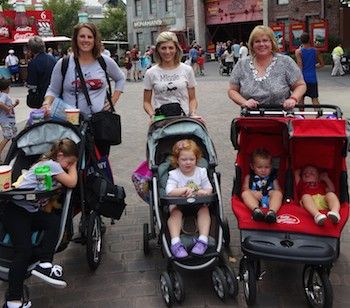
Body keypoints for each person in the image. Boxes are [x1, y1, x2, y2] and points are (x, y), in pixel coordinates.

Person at [2, 138, 78, 308]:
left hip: (29, 211)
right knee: (23, 251)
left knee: (52, 222)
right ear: (60, 155)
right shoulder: (52, 165)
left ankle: (44, 263)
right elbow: (72, 182)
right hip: (16, 212)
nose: (68, 166)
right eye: (69, 162)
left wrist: (71, 162)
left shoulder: (47, 164)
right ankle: (13, 301)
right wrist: (74, 166)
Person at [42, 23, 126, 156]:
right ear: (75, 39)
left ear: (95, 39)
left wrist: (113, 100)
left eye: (89, 37)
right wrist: (46, 103)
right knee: (71, 163)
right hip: (70, 125)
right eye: (82, 36)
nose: (85, 40)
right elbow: (53, 90)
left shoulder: (104, 61)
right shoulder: (63, 64)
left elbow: (121, 78)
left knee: (98, 163)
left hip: (98, 125)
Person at [228, 25, 306, 109]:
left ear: (272, 43)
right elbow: (232, 90)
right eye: (257, 41)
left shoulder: (285, 62)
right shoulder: (242, 64)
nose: (262, 44)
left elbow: (300, 85)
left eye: (265, 40)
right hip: (250, 116)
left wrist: (293, 98)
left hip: (281, 115)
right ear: (252, 45)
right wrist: (244, 102)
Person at [166, 139, 213, 258]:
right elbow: (169, 191)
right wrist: (183, 190)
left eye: (191, 159)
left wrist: (202, 192)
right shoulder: (174, 174)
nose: (188, 162)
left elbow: (209, 189)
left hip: (198, 203)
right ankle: (175, 243)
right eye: (184, 159)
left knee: (205, 211)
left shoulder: (201, 172)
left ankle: (203, 240)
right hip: (179, 205)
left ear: (196, 159)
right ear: (177, 160)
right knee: (174, 213)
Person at [143, 31, 199, 119]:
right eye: (163, 48)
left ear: (176, 49)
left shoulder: (187, 70)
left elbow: (192, 99)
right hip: (161, 119)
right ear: (158, 49)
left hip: (183, 117)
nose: (167, 52)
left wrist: (193, 113)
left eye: (171, 48)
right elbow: (146, 102)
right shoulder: (150, 73)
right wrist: (152, 116)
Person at [241, 148, 283, 223]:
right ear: (252, 167)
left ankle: (272, 212)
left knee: (278, 194)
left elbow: (279, 191)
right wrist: (253, 193)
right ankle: (256, 211)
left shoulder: (272, 178)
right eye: (259, 167)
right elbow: (245, 189)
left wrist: (271, 193)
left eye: (267, 167)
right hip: (255, 200)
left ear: (271, 167)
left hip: (269, 200)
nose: (263, 170)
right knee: (245, 194)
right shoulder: (249, 177)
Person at [26, 36, 57, 108]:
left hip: (41, 97)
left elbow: (32, 85)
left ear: (31, 49)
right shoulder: (53, 59)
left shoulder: (33, 63)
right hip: (55, 95)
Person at [295, 32, 324, 106]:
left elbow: (300, 66)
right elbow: (322, 64)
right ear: (309, 40)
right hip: (312, 78)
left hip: (303, 79)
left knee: (301, 99)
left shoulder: (298, 52)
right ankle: (318, 115)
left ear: (301, 41)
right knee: (315, 99)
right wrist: (313, 66)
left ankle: (301, 116)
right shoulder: (315, 51)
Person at [0, 78, 19, 161]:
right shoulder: (4, 95)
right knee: (7, 137)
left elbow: (9, 108)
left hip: (10, 121)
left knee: (14, 137)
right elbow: (0, 103)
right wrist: (7, 108)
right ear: (7, 87)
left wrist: (15, 104)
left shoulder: (4, 95)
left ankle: (15, 153)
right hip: (6, 121)